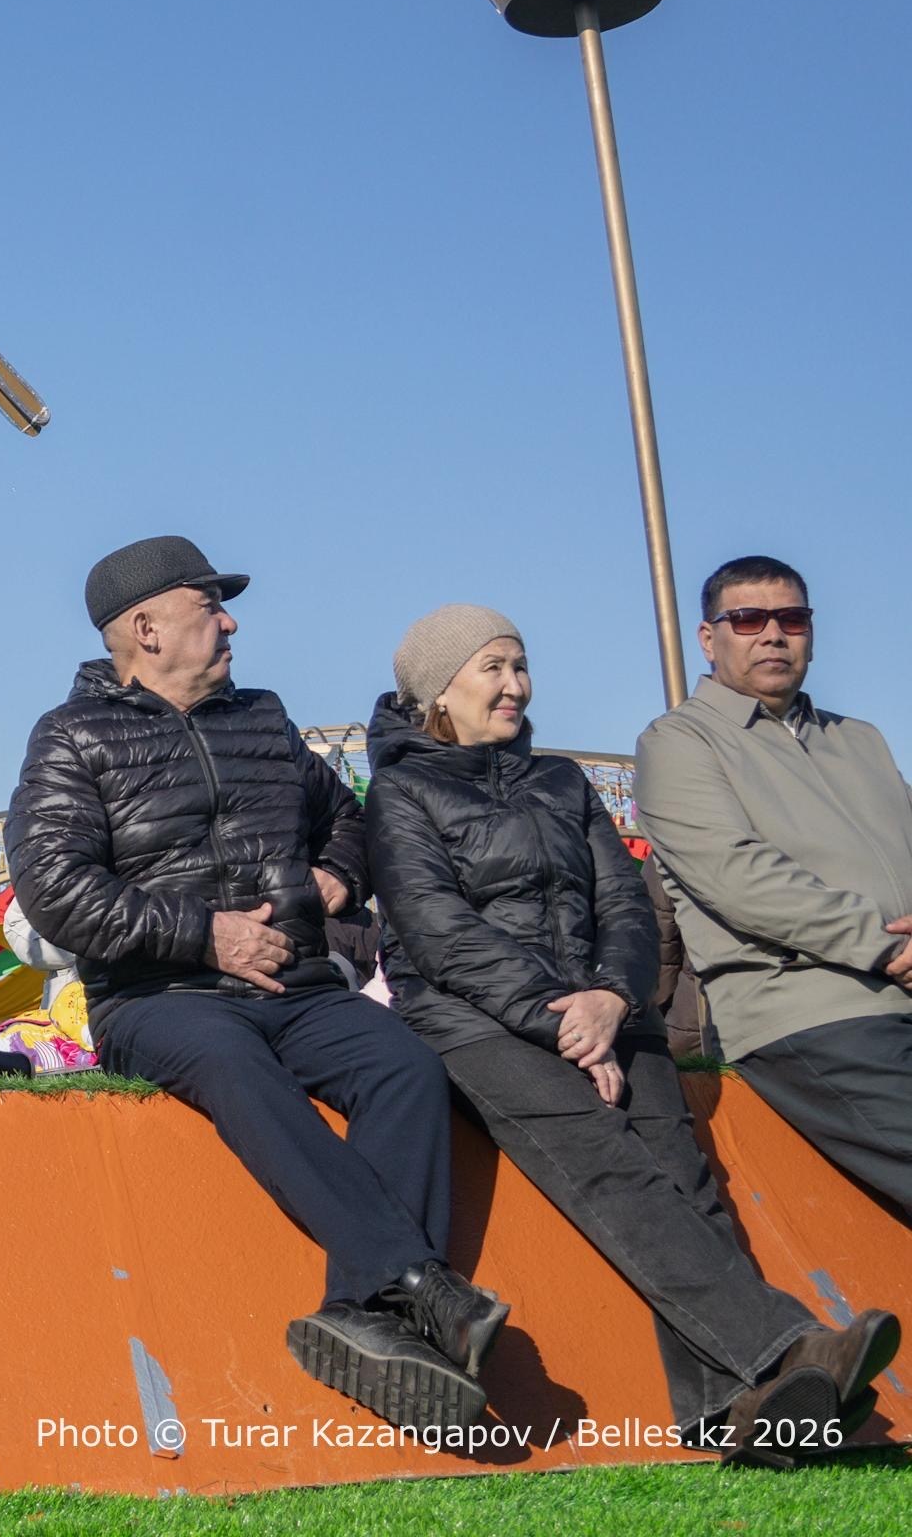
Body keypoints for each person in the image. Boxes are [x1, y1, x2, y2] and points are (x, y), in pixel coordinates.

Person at [4, 536, 506, 1436]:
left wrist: (337, 876)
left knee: (404, 1067)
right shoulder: (71, 737)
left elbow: (345, 816)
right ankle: (417, 1281)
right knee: (235, 1068)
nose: (231, 623)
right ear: (147, 629)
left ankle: (363, 1314)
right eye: (210, 606)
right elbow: (56, 887)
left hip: (300, 987)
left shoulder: (263, 719)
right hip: (157, 999)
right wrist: (205, 935)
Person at [370, 605, 896, 1456]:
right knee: (609, 1165)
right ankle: (788, 1348)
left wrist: (614, 999)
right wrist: (564, 1023)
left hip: (606, 1010)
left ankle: (731, 1410)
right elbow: (439, 933)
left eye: (520, 664)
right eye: (492, 668)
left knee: (685, 1177)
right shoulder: (401, 791)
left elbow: (625, 901)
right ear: (438, 691)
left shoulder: (562, 781)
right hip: (475, 1021)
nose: (515, 685)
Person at [636, 556, 912, 1218]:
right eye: (748, 619)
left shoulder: (860, 739)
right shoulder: (678, 742)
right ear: (709, 639)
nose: (772, 634)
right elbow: (739, 877)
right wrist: (888, 948)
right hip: (813, 1010)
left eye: (791, 618)